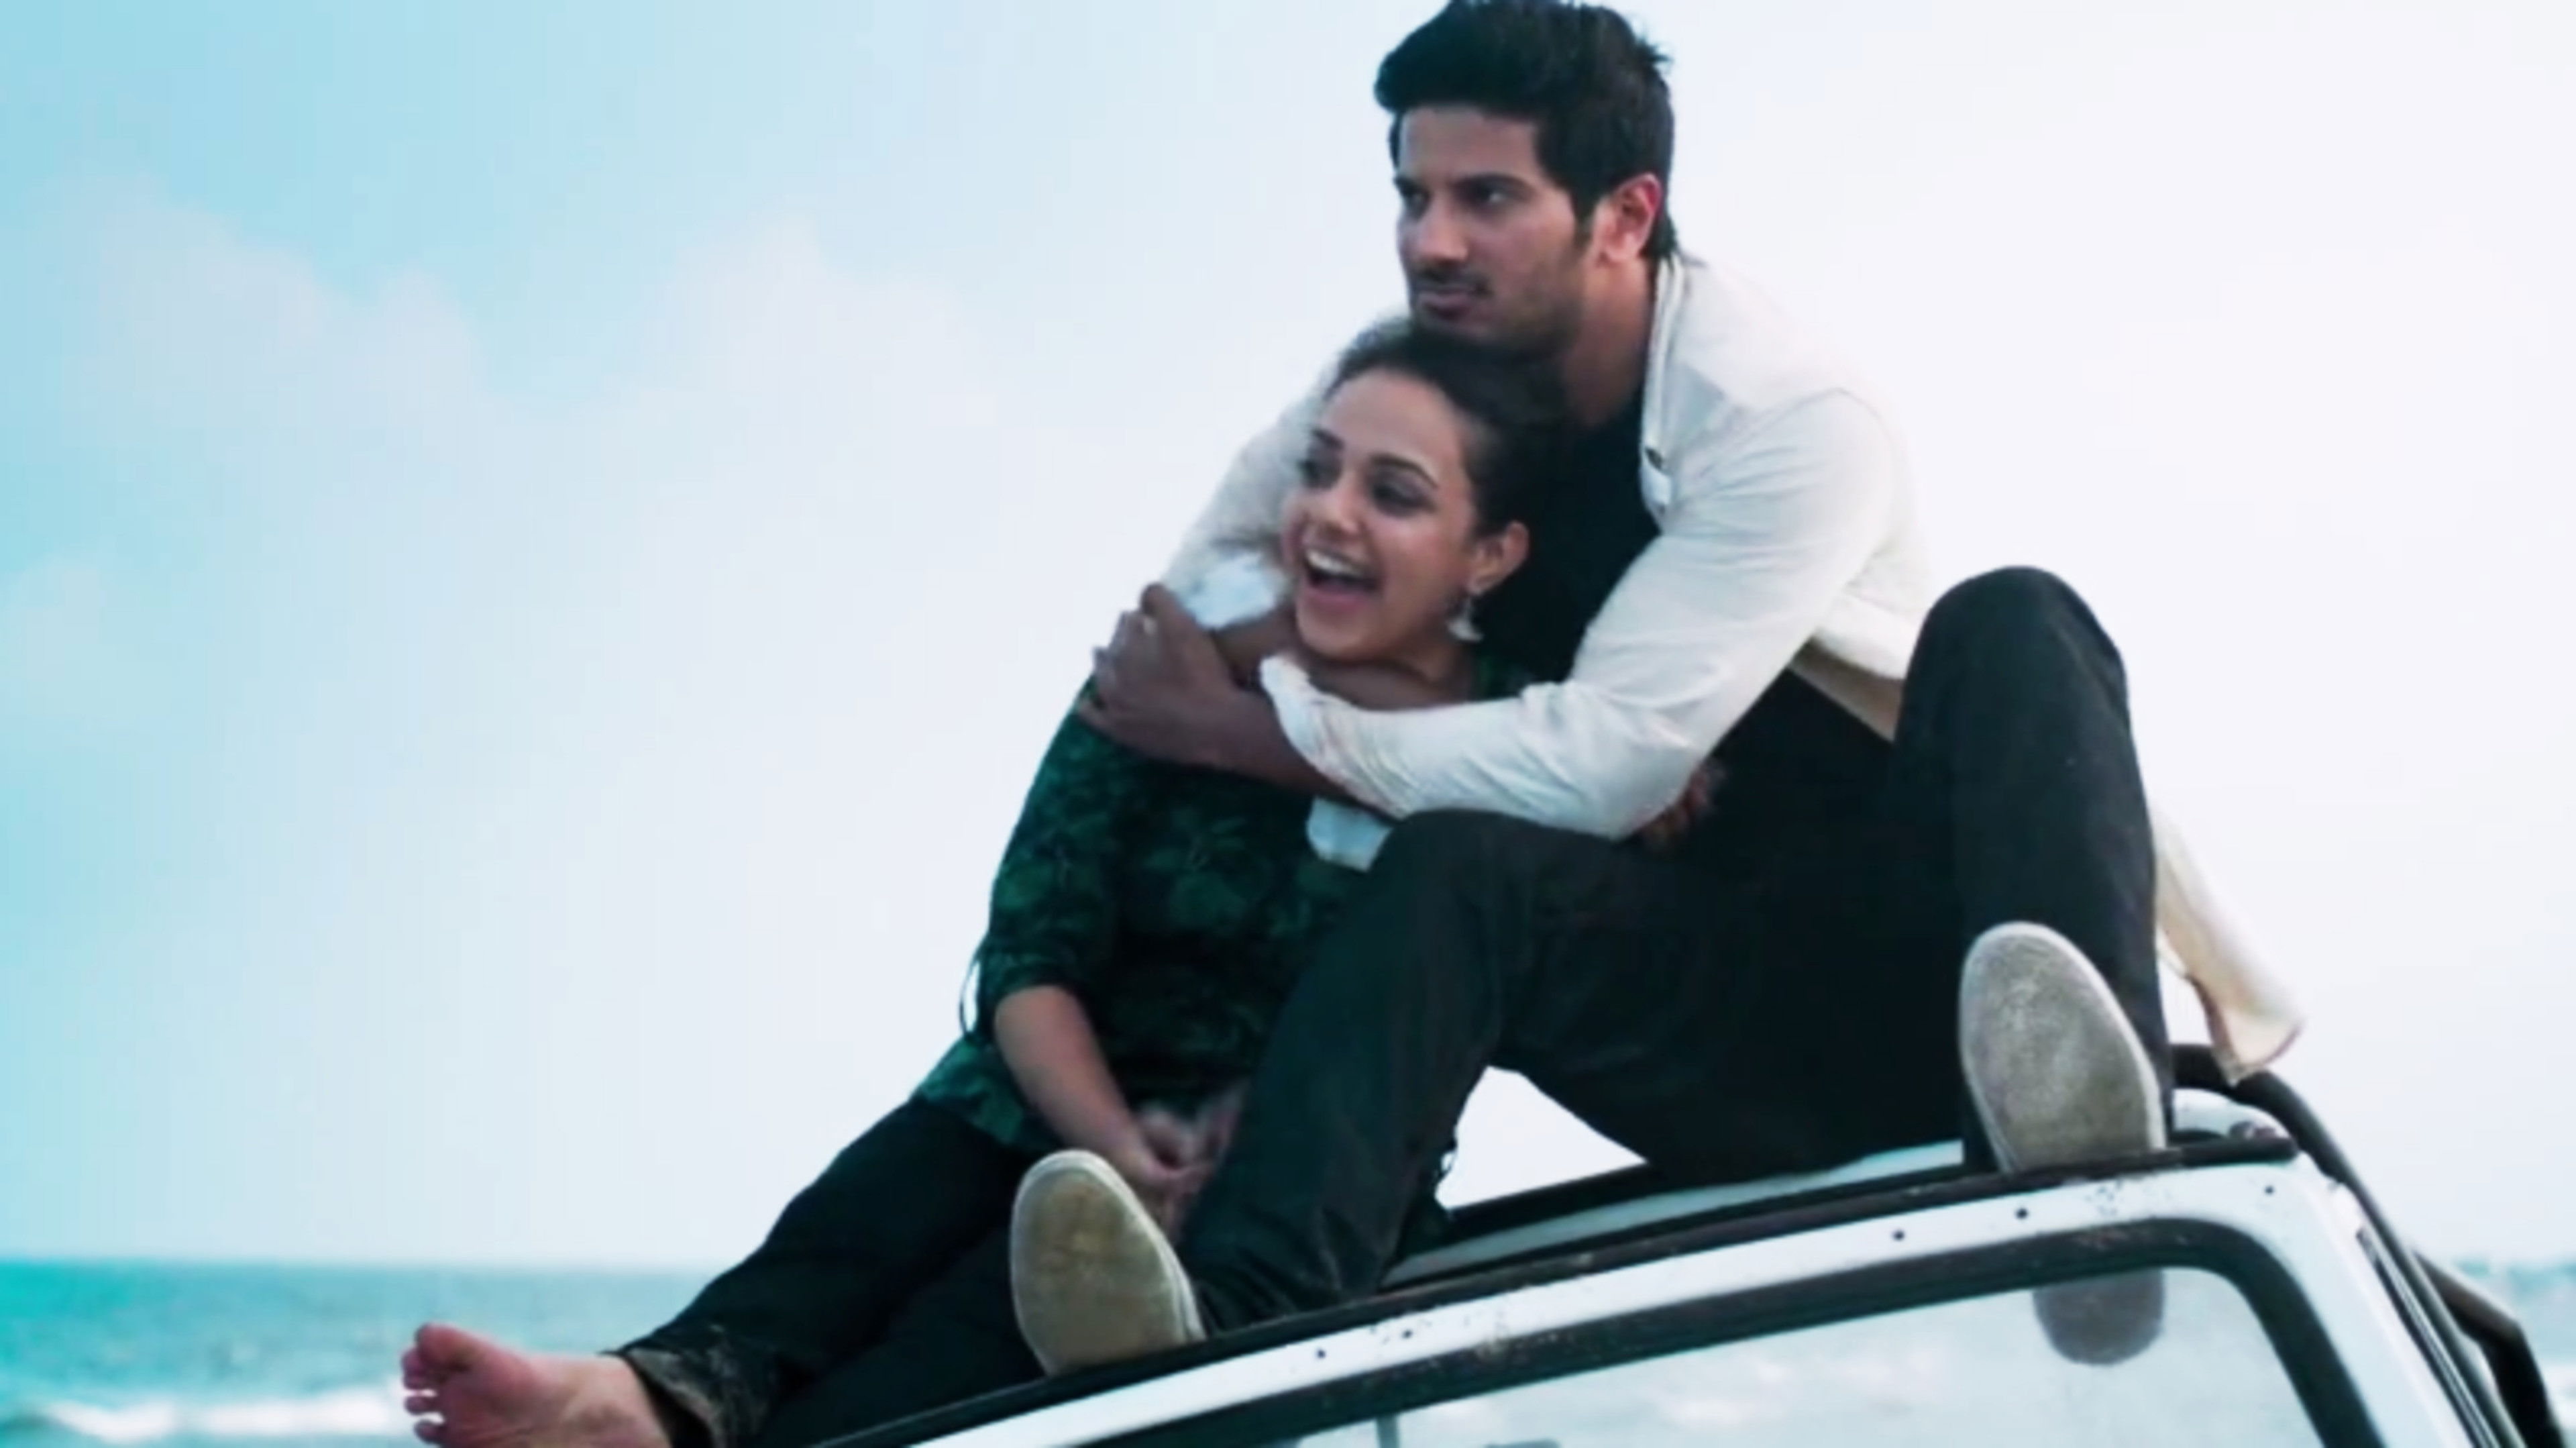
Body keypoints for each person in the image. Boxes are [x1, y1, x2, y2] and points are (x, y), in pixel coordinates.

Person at [1010, 0, 2304, 1375]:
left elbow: (1599, 762)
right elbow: (1201, 597)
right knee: (1458, 870)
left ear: (1625, 214)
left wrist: (1256, 730)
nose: (1429, 243)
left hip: (1947, 979)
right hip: (1719, 1010)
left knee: (2017, 619)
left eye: (1486, 198)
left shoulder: (1783, 413)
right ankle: (1236, 1321)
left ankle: (2097, 1174)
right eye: (1412, 196)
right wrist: (1325, 675)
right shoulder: (1409, 395)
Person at [396, 325, 1578, 1448]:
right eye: (1318, 470)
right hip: (1046, 1100)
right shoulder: (1164, 662)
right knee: (859, 1231)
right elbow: (1030, 956)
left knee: (925, 1372)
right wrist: (1113, 1143)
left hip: (1260, 1183)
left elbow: (1584, 816)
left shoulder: (1536, 747)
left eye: (1394, 492)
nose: (1331, 512)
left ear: (1492, 553)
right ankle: (643, 1394)